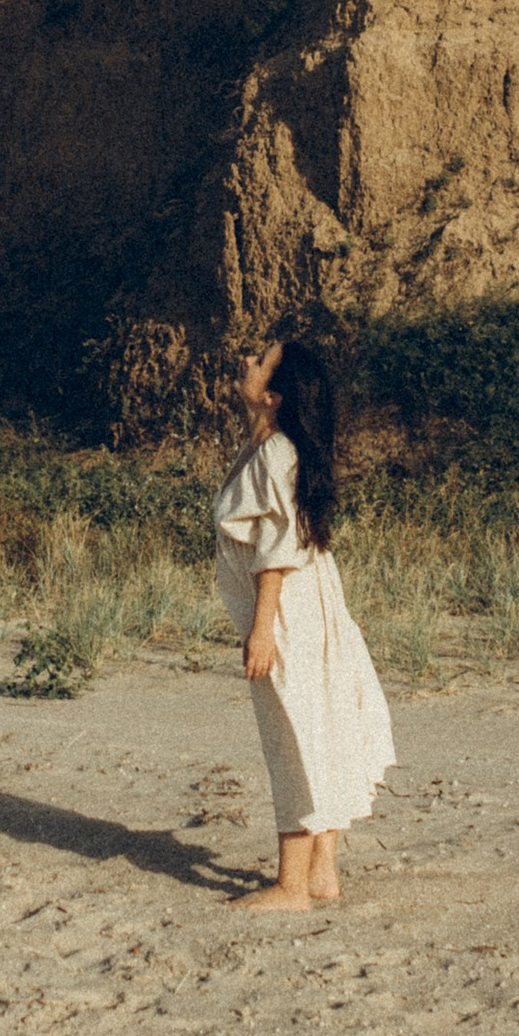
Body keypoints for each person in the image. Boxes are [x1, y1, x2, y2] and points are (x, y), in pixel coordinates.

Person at [213, 335, 395, 909]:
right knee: (321, 724)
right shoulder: (275, 448)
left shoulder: (274, 453)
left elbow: (276, 549)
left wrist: (262, 629)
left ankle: (292, 885)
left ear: (273, 395)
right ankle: (321, 875)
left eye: (259, 361)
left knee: (293, 730)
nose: (247, 361)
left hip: (290, 606)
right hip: (311, 602)